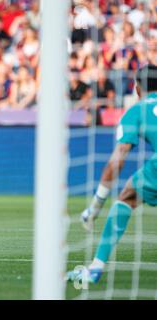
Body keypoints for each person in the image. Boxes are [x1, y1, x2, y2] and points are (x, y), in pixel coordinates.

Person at [66, 64, 157, 284]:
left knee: (127, 196)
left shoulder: (137, 111)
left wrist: (95, 205)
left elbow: (117, 160)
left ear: (136, 89)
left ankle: (95, 269)